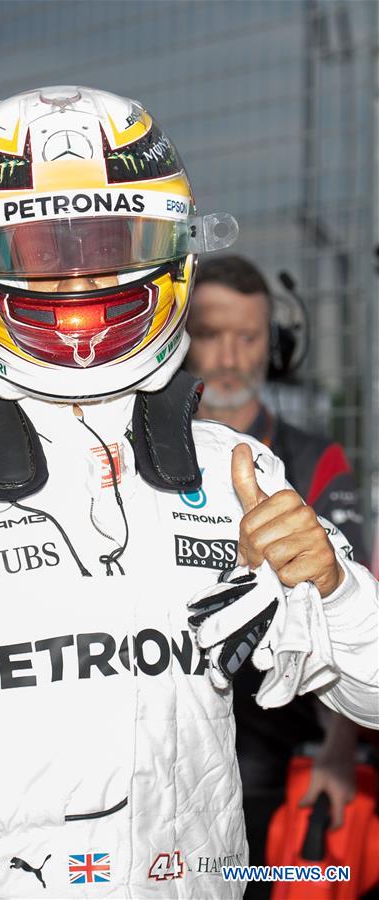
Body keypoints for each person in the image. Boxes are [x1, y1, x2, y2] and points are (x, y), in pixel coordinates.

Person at [0, 86, 378, 900]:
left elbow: (372, 697)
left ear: (173, 248)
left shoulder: (235, 469)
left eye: (109, 241)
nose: (75, 284)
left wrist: (337, 591)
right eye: (37, 251)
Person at [185, 254, 367, 893]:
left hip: (268, 743)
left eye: (250, 336)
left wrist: (338, 754)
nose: (230, 355)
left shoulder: (317, 457)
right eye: (210, 334)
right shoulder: (130, 457)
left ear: (278, 346)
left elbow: (356, 619)